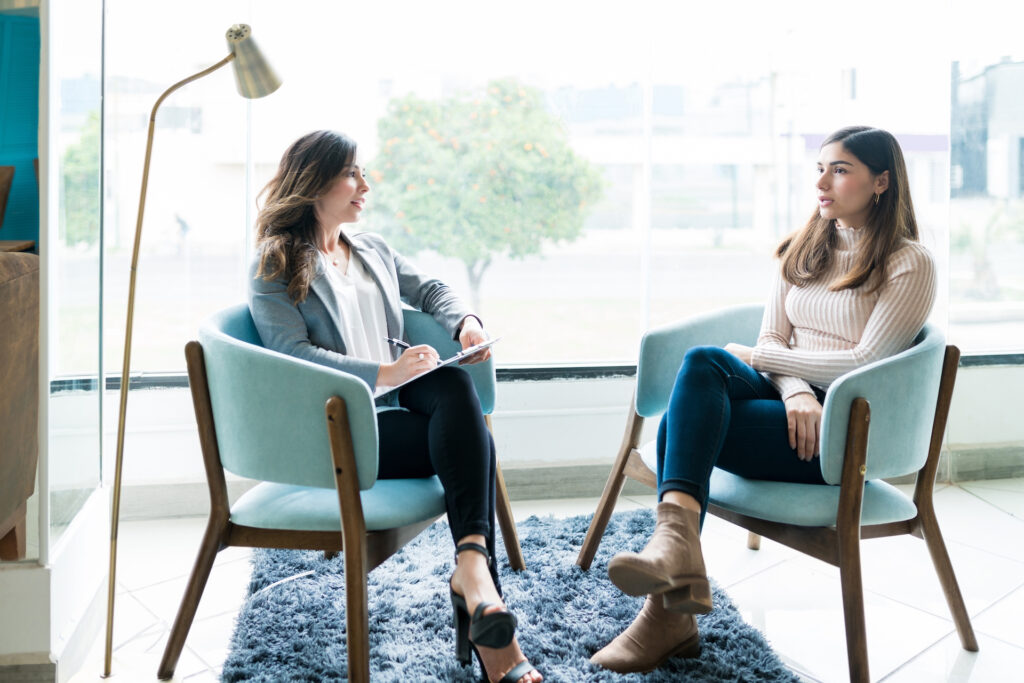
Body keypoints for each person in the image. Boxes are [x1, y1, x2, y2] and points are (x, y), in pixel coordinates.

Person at [590, 126, 937, 673]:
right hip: (790, 403)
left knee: (685, 428)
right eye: (820, 167)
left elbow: (864, 363)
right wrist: (794, 388)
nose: (822, 181)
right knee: (703, 362)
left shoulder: (907, 263)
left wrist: (765, 363)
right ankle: (675, 551)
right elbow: (773, 340)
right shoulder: (806, 246)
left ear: (881, 182)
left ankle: (669, 610)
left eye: (840, 170)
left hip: (839, 436)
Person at [248, 130, 541, 683]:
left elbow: (430, 288)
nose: (366, 185)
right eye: (353, 174)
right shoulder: (276, 262)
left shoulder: (372, 248)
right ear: (315, 183)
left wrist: (465, 322)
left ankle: (472, 569)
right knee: (473, 439)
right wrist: (384, 373)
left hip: (398, 408)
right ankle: (485, 614)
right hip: (341, 430)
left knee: (456, 389)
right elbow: (290, 355)